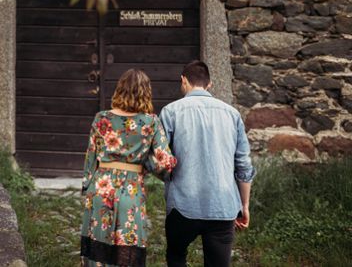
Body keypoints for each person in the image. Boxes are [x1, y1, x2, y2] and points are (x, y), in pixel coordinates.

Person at [160, 60, 256, 267]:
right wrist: (244, 205)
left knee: (176, 256)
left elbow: (160, 159)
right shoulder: (232, 114)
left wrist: (168, 178)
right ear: (209, 84)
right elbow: (244, 165)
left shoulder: (170, 112)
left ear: (183, 80)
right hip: (223, 206)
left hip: (182, 204)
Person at [80, 69, 177, 267]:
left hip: (100, 187)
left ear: (120, 89)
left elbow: (90, 158)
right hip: (130, 189)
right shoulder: (150, 122)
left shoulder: (101, 118)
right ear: (146, 92)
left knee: (99, 246)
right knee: (127, 246)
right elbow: (166, 162)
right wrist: (145, 163)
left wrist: (86, 188)